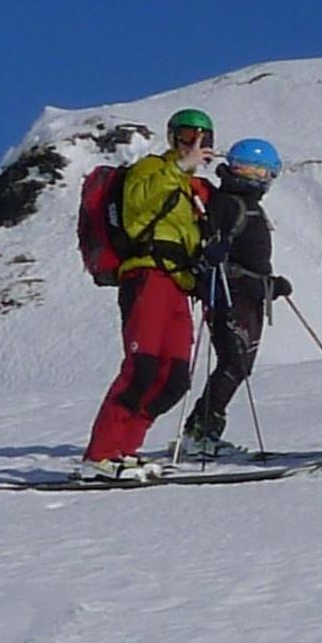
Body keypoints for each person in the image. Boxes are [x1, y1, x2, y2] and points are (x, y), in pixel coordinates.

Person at [80, 108, 216, 480]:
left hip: (179, 283)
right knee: (142, 366)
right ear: (173, 137)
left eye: (204, 137)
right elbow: (137, 206)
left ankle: (125, 449)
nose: (196, 143)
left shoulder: (193, 191)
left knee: (173, 378)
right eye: (188, 135)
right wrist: (178, 167)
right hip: (147, 273)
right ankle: (101, 455)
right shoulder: (151, 168)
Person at [177, 138, 292, 463]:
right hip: (232, 294)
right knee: (234, 363)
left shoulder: (232, 201)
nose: (256, 176)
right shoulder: (230, 203)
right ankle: (200, 434)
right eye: (250, 168)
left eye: (263, 171)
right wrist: (263, 284)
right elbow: (225, 254)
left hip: (240, 292)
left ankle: (202, 431)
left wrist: (269, 284)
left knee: (236, 363)